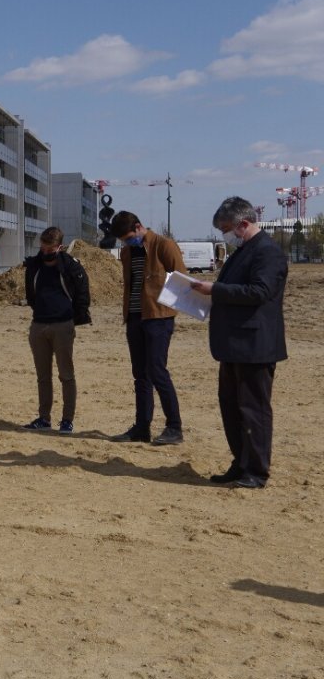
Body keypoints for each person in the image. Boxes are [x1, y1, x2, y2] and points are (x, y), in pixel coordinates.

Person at [190, 197, 287, 489]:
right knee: (231, 408)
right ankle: (241, 463)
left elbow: (259, 291)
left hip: (254, 346)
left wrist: (215, 290)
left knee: (253, 410)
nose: (225, 235)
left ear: (243, 224)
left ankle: (257, 471)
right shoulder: (242, 251)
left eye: (227, 229)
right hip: (232, 345)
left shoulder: (268, 252)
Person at [109, 211, 187, 445]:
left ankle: (174, 428)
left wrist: (167, 308)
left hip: (158, 318)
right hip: (134, 318)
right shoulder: (126, 252)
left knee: (157, 371)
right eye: (123, 239)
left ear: (139, 227)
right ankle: (142, 428)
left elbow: (181, 279)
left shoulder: (164, 245)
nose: (127, 242)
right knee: (140, 375)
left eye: (129, 237)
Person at [22, 227, 91, 434]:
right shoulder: (34, 266)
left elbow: (82, 296)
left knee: (66, 375)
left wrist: (72, 318)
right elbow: (31, 295)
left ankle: (67, 420)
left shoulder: (71, 267)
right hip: (38, 325)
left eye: (49, 248)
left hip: (63, 326)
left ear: (59, 247)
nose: (45, 251)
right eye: (42, 247)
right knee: (43, 376)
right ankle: (44, 418)